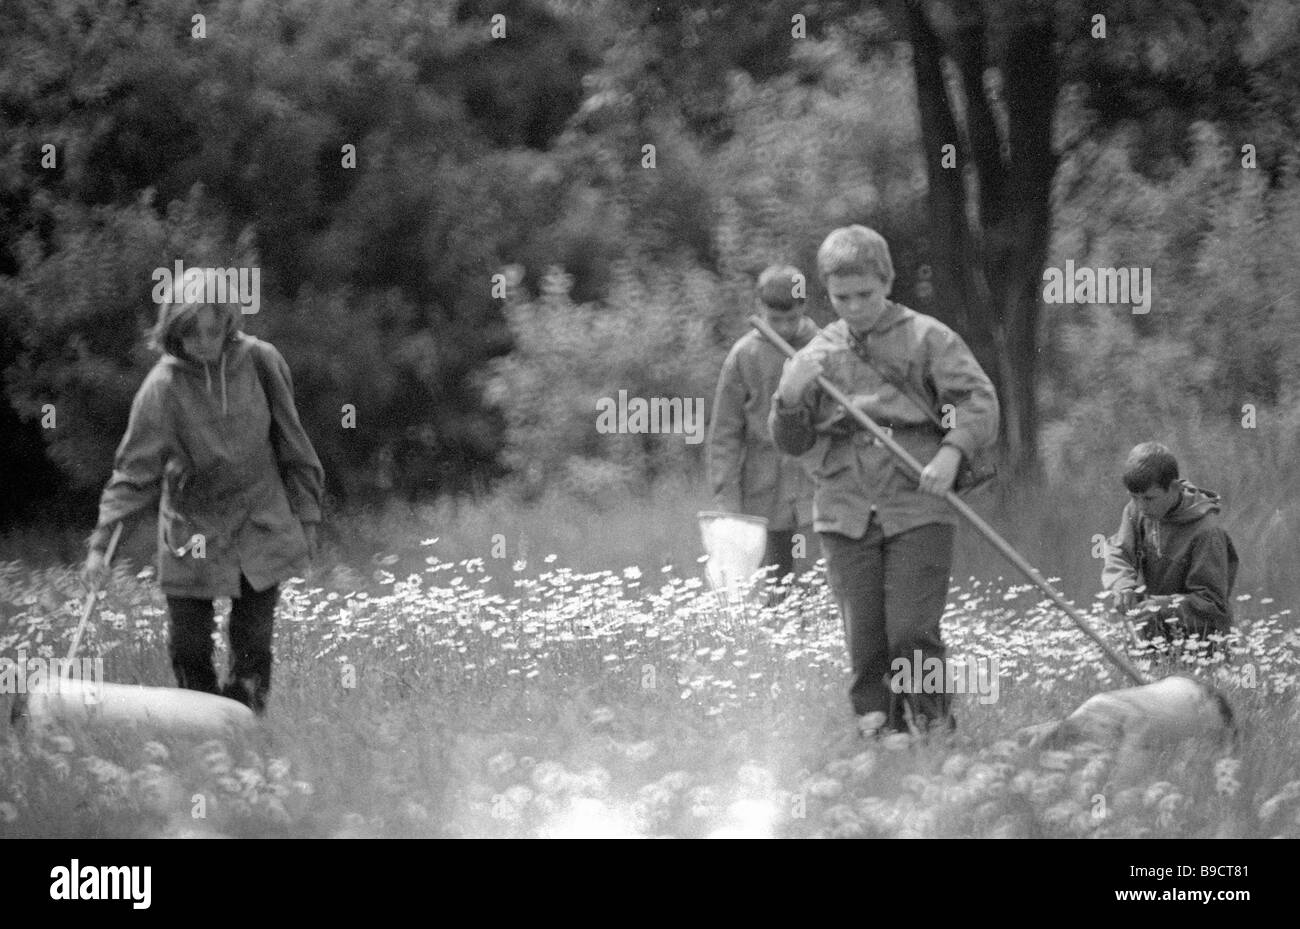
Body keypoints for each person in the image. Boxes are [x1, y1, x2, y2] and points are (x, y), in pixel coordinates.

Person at [769, 225, 999, 736]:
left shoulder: (929, 337)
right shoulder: (816, 353)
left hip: (917, 501)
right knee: (866, 640)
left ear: (888, 281)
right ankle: (880, 737)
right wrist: (788, 396)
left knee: (913, 632)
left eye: (865, 295)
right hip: (844, 510)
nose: (853, 306)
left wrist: (951, 452)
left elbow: (978, 402)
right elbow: (792, 442)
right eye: (840, 296)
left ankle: (934, 731)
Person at [83, 298, 324, 714]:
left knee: (253, 641)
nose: (205, 343)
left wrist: (308, 517)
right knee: (189, 644)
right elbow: (134, 474)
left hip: (258, 520)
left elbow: (293, 442)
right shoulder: (162, 387)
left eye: (213, 331)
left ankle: (244, 727)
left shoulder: (261, 362)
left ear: (229, 324)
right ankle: (198, 727)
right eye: (192, 334)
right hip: (192, 526)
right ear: (173, 333)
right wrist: (100, 548)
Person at [707, 264, 820, 590]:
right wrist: (727, 501)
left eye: (792, 319)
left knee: (816, 585)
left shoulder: (824, 347)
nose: (784, 328)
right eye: (775, 320)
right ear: (760, 308)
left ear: (804, 307)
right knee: (774, 588)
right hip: (763, 496)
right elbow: (725, 434)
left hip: (815, 490)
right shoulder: (744, 355)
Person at [1101, 442, 1238, 657]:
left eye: (1148, 498)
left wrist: (1161, 607)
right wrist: (1123, 585)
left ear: (1174, 488)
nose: (1141, 506)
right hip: (1153, 639)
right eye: (1133, 497)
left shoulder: (1207, 532)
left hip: (1201, 648)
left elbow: (1211, 606)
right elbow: (1119, 552)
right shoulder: (1137, 511)